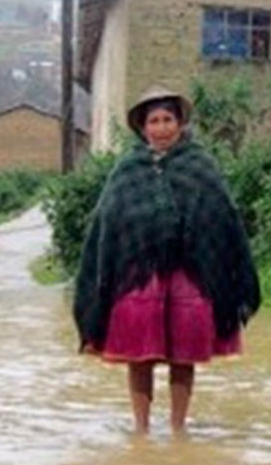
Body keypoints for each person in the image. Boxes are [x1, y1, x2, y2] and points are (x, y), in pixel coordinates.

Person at [74, 85, 260, 435]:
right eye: (154, 121)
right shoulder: (126, 171)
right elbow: (108, 225)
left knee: (183, 355)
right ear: (142, 127)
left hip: (190, 274)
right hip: (138, 276)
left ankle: (177, 427)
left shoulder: (201, 167)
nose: (161, 128)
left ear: (180, 123)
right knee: (138, 354)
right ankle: (141, 428)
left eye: (167, 120)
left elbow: (223, 220)